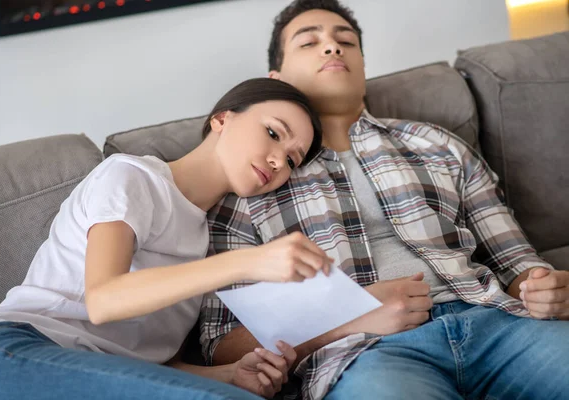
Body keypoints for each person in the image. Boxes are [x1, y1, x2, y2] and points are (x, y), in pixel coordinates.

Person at [199, 2, 569, 400]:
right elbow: (221, 345)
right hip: (364, 355)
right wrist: (345, 313)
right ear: (276, 78)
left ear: (361, 64)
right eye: (310, 42)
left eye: (346, 41)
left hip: (496, 326)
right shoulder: (252, 178)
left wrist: (542, 288)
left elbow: (516, 261)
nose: (332, 48)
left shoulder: (438, 144)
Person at [0, 77, 332, 400]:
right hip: (12, 347)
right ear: (222, 118)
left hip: (92, 373)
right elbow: (104, 299)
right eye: (272, 133)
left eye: (291, 159)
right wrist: (250, 261)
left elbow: (151, 363)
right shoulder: (132, 176)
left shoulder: (204, 241)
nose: (277, 162)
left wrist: (227, 375)